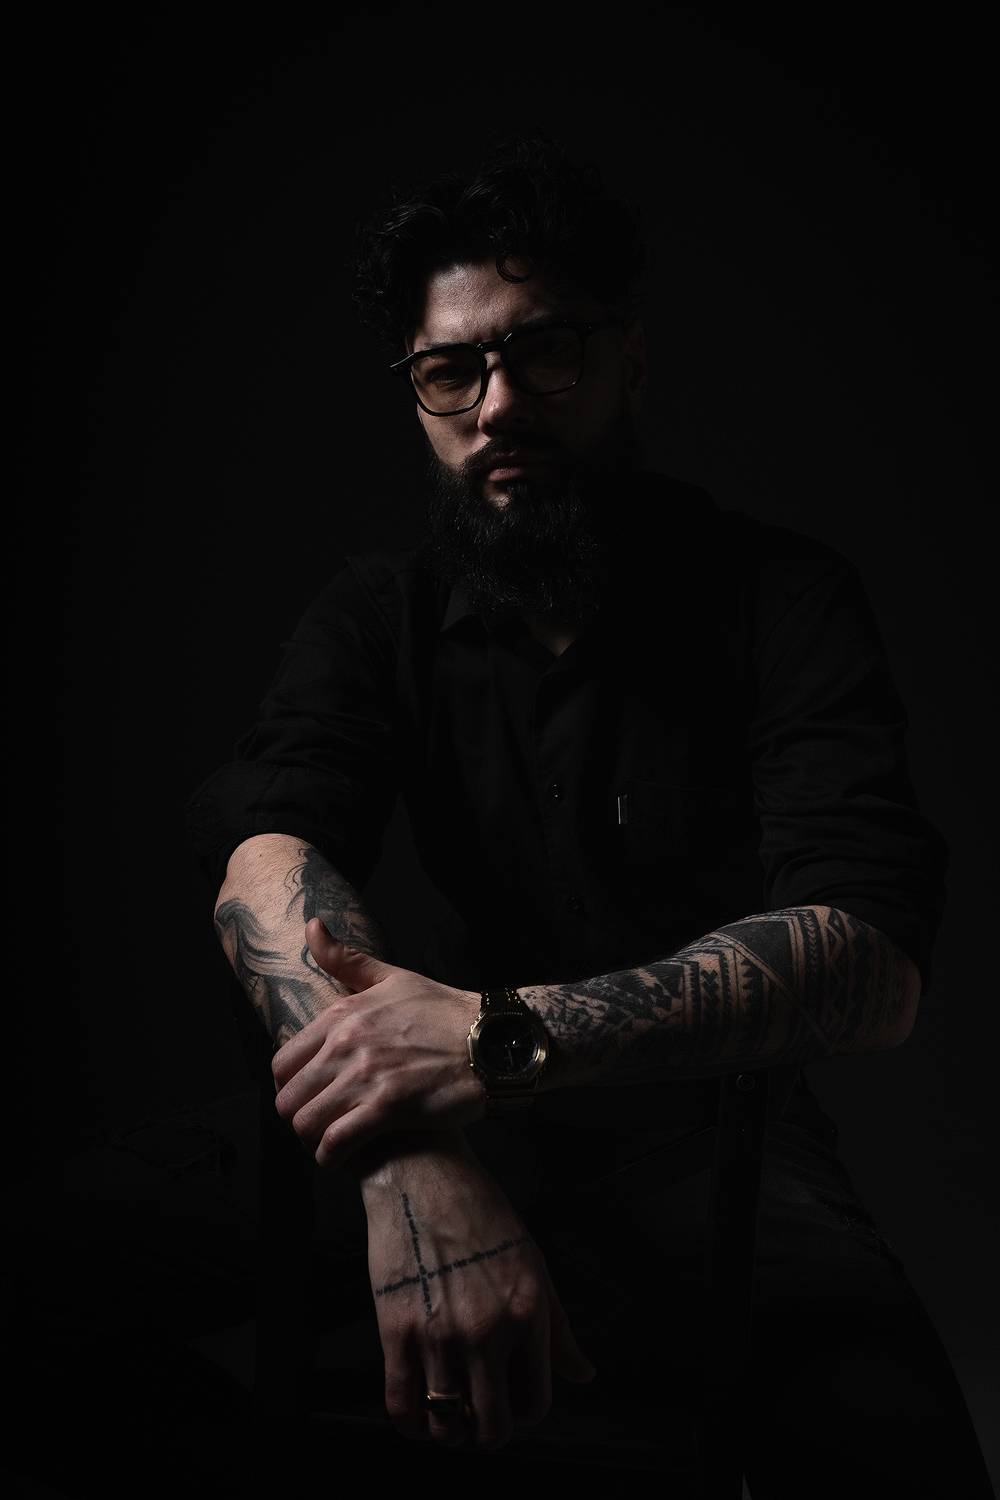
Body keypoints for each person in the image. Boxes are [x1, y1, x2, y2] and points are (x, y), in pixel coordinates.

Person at [184, 137, 993, 1495]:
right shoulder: (375, 618)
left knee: (905, 1455)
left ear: (628, 360)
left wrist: (495, 1039)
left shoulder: (781, 600)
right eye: (451, 371)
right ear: (421, 397)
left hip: (715, 1143)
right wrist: (408, 1145)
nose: (497, 405)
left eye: (542, 352)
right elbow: (267, 862)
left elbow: (868, 960)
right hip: (428, 1112)